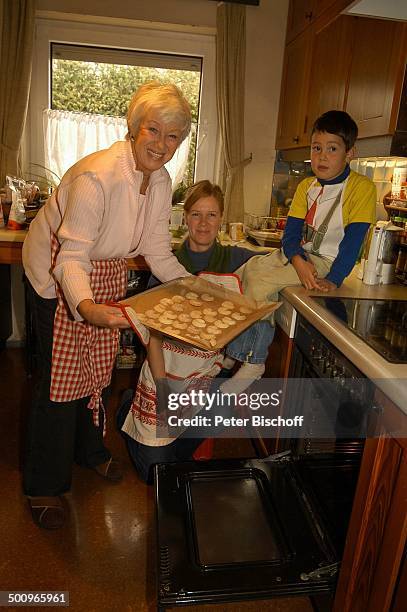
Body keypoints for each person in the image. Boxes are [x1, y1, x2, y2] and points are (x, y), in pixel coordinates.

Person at [22, 82, 193, 529]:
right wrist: (86, 307)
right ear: (134, 128)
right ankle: (44, 483)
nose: (161, 143)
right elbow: (71, 257)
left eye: (173, 135)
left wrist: (196, 286)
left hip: (104, 268)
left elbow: (156, 250)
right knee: (59, 380)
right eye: (153, 130)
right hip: (56, 271)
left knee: (97, 368)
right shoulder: (98, 177)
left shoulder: (161, 181)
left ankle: (89, 451)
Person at [220, 110, 377, 395]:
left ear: (350, 153)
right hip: (301, 256)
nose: (322, 156)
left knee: (259, 283)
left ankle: (253, 360)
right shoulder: (307, 186)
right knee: (244, 273)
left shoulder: (361, 188)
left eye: (332, 149)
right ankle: (237, 348)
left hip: (326, 263)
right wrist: (298, 261)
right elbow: (290, 236)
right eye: (317, 148)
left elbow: (354, 242)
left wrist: (336, 278)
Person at [117, 180, 264, 483]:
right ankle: (125, 408)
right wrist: (162, 391)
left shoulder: (237, 260)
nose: (203, 223)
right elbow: (153, 337)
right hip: (166, 372)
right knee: (155, 475)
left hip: (206, 375)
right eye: (196, 214)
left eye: (211, 215)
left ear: (221, 218)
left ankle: (174, 451)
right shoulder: (167, 264)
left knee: (218, 414)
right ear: (184, 217)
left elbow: (274, 272)